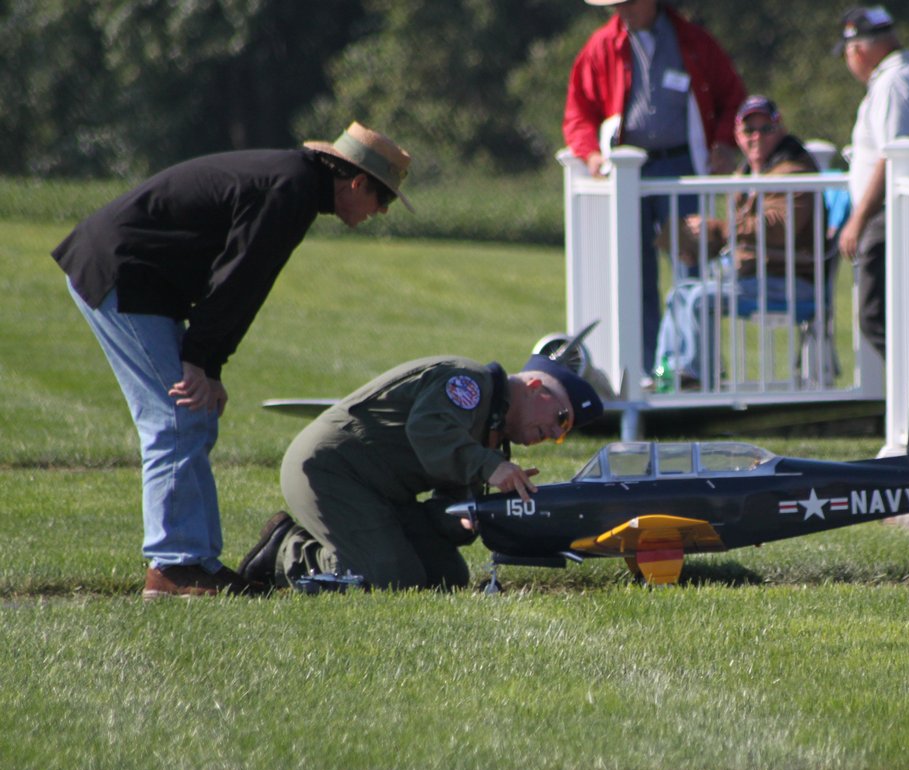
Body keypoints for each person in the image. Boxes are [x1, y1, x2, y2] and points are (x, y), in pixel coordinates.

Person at [53, 122, 414, 601]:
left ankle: (196, 563)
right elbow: (239, 278)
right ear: (356, 182)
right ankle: (174, 566)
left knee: (193, 414)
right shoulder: (290, 188)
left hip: (141, 279)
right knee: (177, 415)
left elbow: (240, 281)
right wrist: (199, 360)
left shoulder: (295, 183)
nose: (381, 211)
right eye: (382, 197)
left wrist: (210, 366)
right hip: (123, 273)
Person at [237, 353, 604, 592]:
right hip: (330, 471)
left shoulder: (492, 433)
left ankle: (342, 541)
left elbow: (445, 503)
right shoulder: (470, 383)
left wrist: (470, 517)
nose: (556, 434)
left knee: (447, 577)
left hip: (380, 493)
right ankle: (288, 549)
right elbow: (428, 433)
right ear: (536, 388)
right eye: (561, 419)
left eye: (564, 433)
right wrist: (490, 467)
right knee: (391, 580)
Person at [564, 0, 746, 378]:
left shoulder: (693, 41)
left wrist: (724, 143)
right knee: (633, 271)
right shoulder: (601, 45)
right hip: (626, 171)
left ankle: (693, 368)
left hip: (681, 168)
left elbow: (733, 98)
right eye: (616, 4)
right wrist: (591, 154)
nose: (621, 11)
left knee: (692, 265)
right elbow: (578, 113)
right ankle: (646, 369)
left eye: (627, 2)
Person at [652, 95, 823, 388]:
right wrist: (700, 244)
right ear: (737, 135)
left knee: (700, 298)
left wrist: (722, 228)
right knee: (680, 293)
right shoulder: (747, 173)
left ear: (780, 129)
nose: (757, 137)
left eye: (766, 129)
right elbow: (744, 238)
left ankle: (696, 380)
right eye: (749, 130)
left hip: (791, 281)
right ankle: (667, 376)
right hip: (754, 276)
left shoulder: (794, 171)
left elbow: (780, 227)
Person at [836, 5, 909, 358]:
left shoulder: (892, 84)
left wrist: (857, 220)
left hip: (890, 217)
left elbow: (893, 157)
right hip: (908, 214)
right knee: (905, 318)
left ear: (858, 50)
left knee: (876, 318)